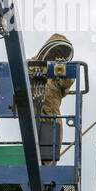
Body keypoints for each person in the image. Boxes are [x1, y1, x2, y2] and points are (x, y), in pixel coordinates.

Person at [28, 33, 74, 165]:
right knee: (30, 155)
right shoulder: (29, 63)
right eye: (53, 52)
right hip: (32, 116)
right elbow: (17, 74)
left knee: (48, 159)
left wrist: (63, 70)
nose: (55, 57)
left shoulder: (59, 73)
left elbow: (68, 82)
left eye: (59, 55)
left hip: (52, 120)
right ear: (46, 50)